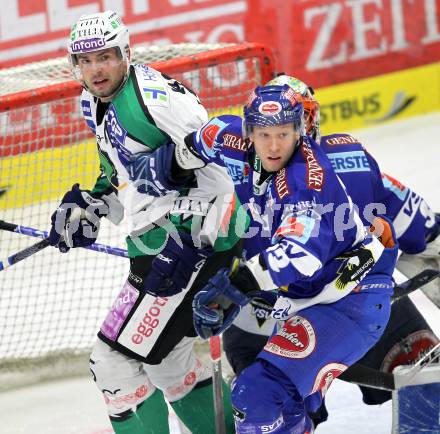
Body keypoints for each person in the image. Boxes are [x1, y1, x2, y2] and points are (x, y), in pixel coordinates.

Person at [48, 10, 240, 434]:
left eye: (105, 56)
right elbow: (115, 169)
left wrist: (200, 239)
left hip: (196, 243)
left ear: (126, 54)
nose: (95, 69)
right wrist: (90, 204)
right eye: (85, 60)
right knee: (170, 364)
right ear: (74, 65)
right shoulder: (92, 100)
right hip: (157, 242)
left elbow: (225, 167)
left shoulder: (156, 99)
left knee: (112, 362)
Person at [221, 74, 440, 427]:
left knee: (261, 399)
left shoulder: (235, 165)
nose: (276, 142)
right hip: (336, 303)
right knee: (423, 366)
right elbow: (422, 226)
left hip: (290, 307)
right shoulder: (347, 155)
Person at [184, 83, 399, 433]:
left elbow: (299, 256)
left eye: (283, 134)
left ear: (299, 131)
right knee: (278, 400)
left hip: (348, 299)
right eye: (264, 134)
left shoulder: (306, 182)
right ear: (248, 131)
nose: (273, 145)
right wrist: (168, 168)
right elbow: (198, 142)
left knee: (258, 395)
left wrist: (234, 288)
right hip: (304, 297)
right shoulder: (230, 137)